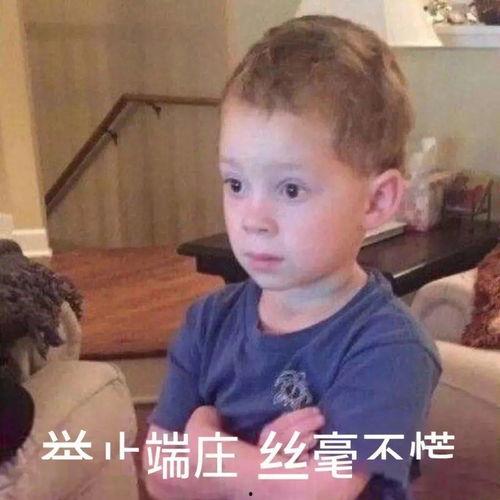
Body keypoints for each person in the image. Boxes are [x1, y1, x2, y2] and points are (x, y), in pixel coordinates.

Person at [143, 15, 441, 500]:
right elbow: (159, 476)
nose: (253, 219)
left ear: (376, 202)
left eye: (290, 189)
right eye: (236, 183)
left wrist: (209, 446)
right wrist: (267, 471)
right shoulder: (207, 322)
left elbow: (320, 492)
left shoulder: (389, 345)